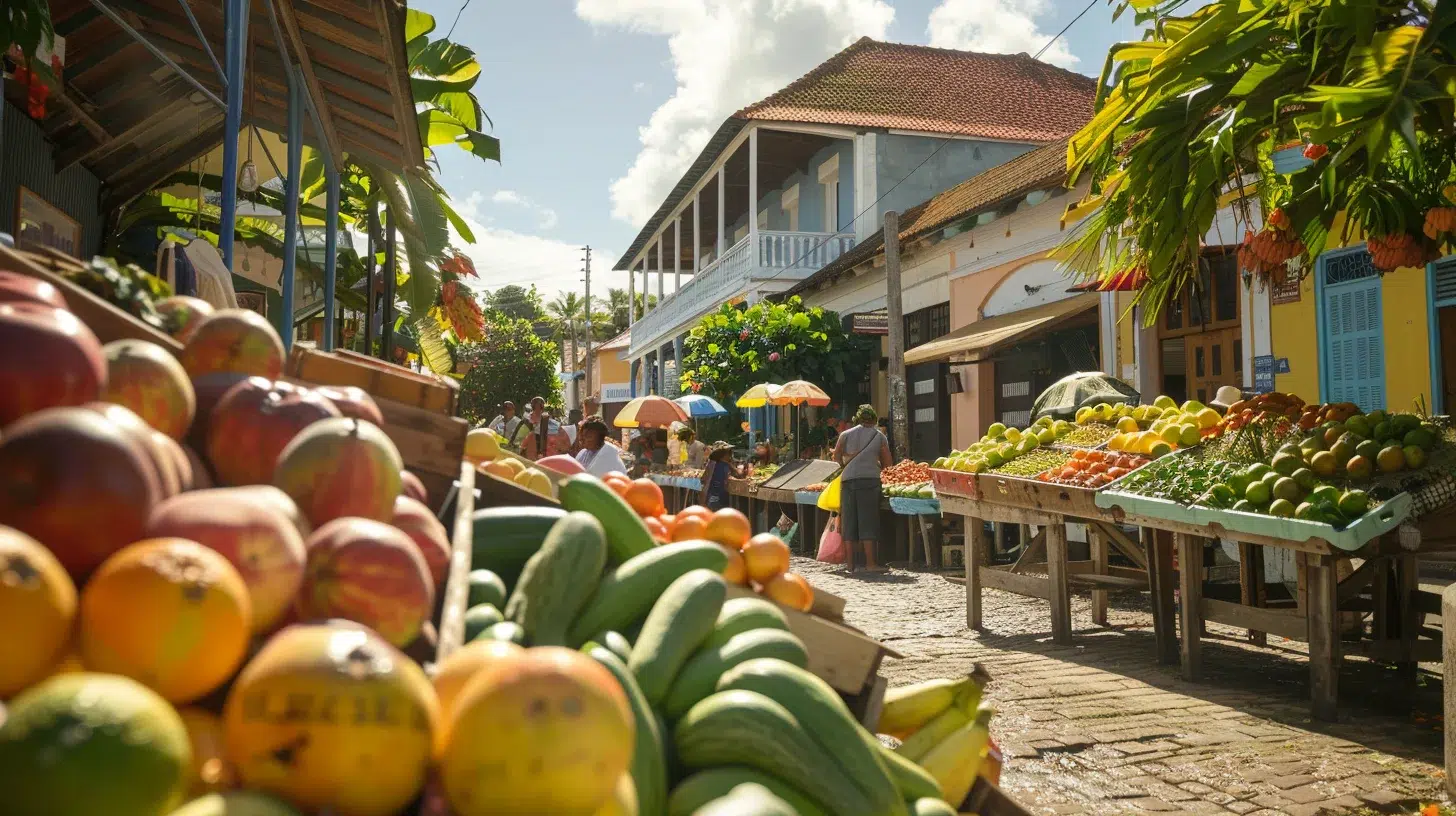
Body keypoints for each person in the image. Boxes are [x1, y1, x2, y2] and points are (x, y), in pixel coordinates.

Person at [833, 404, 893, 572]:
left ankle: (850, 565)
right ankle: (870, 564)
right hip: (870, 481)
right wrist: (876, 465)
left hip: (848, 480)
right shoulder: (879, 436)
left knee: (849, 522)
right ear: (873, 419)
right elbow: (888, 463)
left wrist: (846, 464)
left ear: (857, 419)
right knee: (868, 521)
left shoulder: (844, 435)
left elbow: (836, 456)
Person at [699, 442, 747, 512]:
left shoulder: (712, 463)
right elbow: (734, 477)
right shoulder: (724, 465)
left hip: (709, 497)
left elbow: (703, 479)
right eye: (729, 453)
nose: (730, 456)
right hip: (719, 498)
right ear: (723, 455)